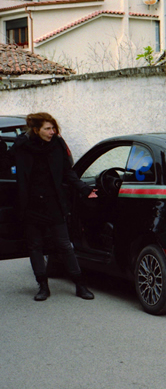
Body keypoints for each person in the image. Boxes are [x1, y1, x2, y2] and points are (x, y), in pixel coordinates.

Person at [10, 113, 98, 301]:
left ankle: (80, 285)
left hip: (54, 203)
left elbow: (68, 172)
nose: (53, 132)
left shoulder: (57, 145)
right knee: (35, 246)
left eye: (54, 128)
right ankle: (42, 286)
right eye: (48, 129)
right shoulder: (22, 147)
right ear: (36, 130)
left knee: (64, 245)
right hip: (31, 205)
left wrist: (83, 188)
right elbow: (5, 162)